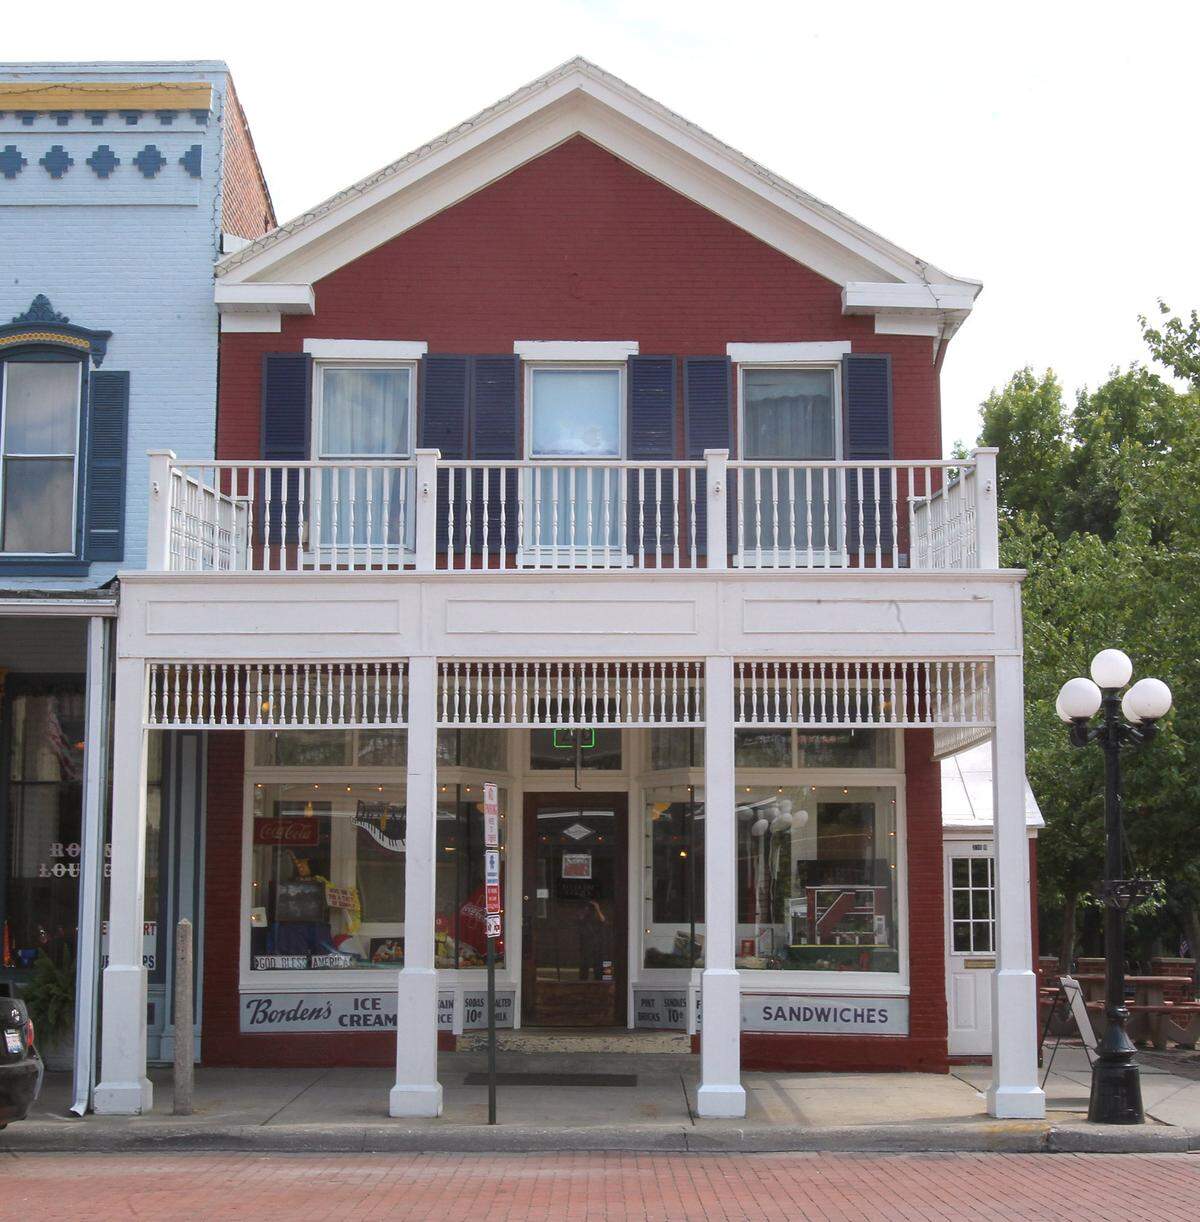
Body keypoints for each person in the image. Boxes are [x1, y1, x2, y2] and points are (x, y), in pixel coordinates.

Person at [576, 897, 608, 981]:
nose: (589, 908)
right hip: (586, 943)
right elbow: (580, 918)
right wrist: (585, 910)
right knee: (584, 964)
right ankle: (582, 981)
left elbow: (603, 920)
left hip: (596, 943)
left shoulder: (596, 915)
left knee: (597, 964)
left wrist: (597, 908)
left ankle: (598, 980)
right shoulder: (582, 914)